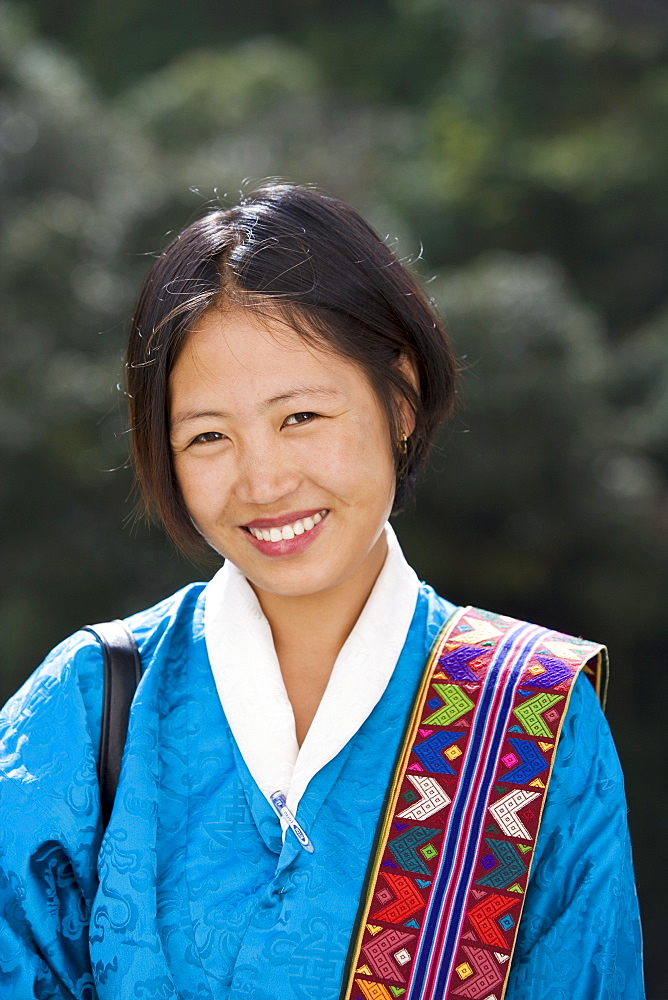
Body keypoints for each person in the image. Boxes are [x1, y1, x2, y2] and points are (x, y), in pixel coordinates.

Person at [0, 183, 644, 1000]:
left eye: (301, 416)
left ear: (399, 399)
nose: (263, 480)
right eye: (207, 436)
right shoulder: (86, 708)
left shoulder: (532, 720)